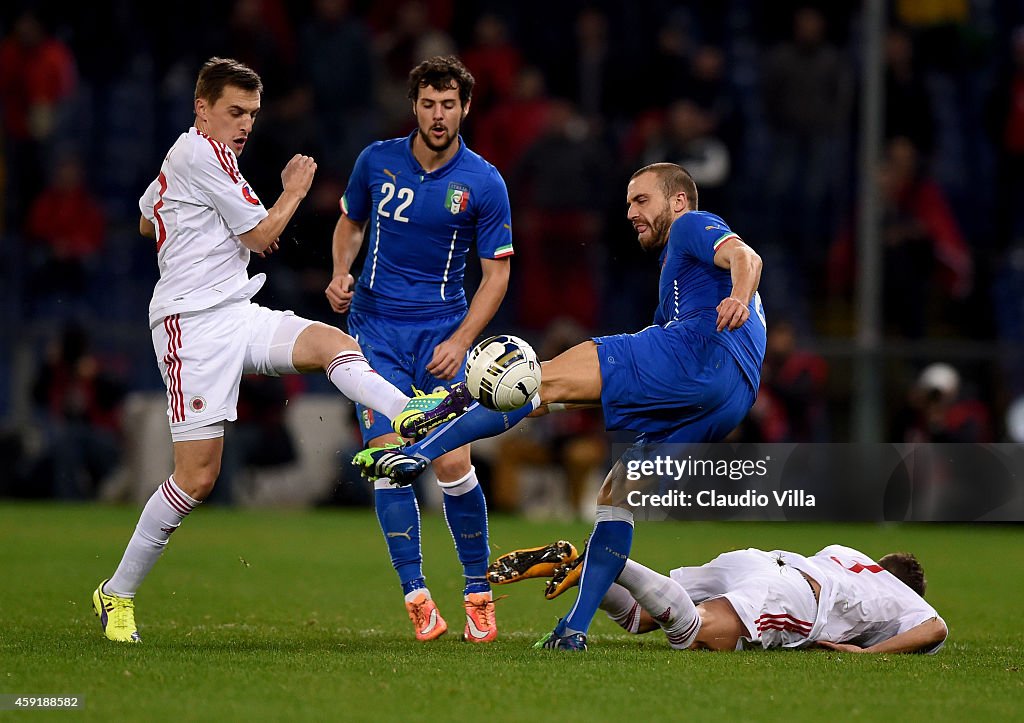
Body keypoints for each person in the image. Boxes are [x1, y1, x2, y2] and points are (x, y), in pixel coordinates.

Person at [91, 57, 469, 644]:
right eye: (234, 112)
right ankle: (116, 592)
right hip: (190, 328)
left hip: (235, 311)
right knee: (196, 479)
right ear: (202, 108)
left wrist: (185, 233)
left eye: (252, 115)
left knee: (330, 342)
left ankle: (408, 413)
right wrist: (294, 191)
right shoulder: (200, 155)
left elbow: (147, 219)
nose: (245, 124)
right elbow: (264, 237)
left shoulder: (196, 158)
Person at [357, 162, 766, 650]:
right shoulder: (679, 281)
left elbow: (747, 257)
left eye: (641, 200)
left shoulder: (693, 226)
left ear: (677, 201)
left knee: (536, 376)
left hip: (701, 352)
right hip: (731, 395)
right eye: (628, 203)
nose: (631, 212)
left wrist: (739, 296)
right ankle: (573, 629)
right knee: (616, 497)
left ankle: (422, 443)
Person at [325, 56, 512, 643]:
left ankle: (478, 592)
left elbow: (496, 275)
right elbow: (351, 223)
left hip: (441, 336)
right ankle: (415, 594)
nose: (438, 115)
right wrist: (338, 272)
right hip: (374, 331)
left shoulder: (483, 182)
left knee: (453, 463)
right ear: (414, 106)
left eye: (449, 104)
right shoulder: (375, 160)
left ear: (465, 108)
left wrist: (461, 341)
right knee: (388, 457)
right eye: (428, 103)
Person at [489, 540, 948, 654]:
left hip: (757, 560)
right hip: (794, 594)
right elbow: (934, 628)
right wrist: (866, 654)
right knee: (695, 634)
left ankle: (582, 562)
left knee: (639, 618)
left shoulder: (849, 555)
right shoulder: (901, 596)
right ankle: (606, 557)